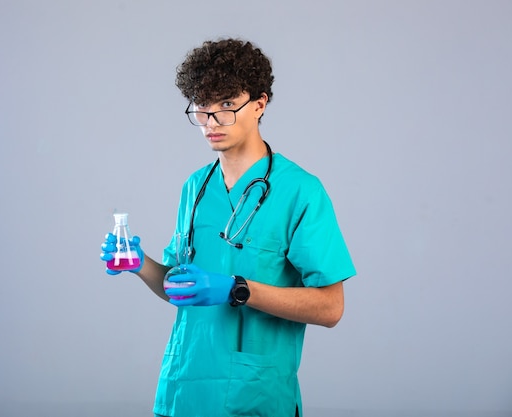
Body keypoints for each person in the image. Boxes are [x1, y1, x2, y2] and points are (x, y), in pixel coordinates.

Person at [100, 38, 356, 417]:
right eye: (201, 108)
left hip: (254, 395)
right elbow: (179, 288)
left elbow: (331, 307)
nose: (211, 121)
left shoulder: (299, 191)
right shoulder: (195, 187)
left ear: (259, 104)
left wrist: (238, 289)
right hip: (182, 389)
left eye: (226, 106)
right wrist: (141, 265)